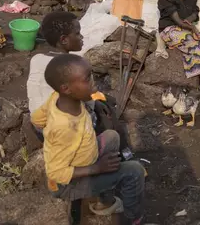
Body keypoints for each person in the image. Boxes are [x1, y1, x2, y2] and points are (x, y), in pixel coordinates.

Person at [31, 54, 146, 224]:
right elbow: (56, 173)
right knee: (134, 171)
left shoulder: (58, 98)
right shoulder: (65, 127)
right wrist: (97, 168)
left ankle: (104, 201)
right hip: (68, 185)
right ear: (66, 89)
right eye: (87, 79)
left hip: (85, 160)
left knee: (112, 137)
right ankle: (132, 219)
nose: (93, 82)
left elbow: (36, 119)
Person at [26, 12, 132, 156]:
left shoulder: (36, 59)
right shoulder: (75, 65)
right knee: (106, 110)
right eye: (78, 34)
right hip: (63, 133)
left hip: (38, 127)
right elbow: (88, 100)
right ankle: (121, 154)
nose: (82, 37)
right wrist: (99, 106)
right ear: (64, 40)